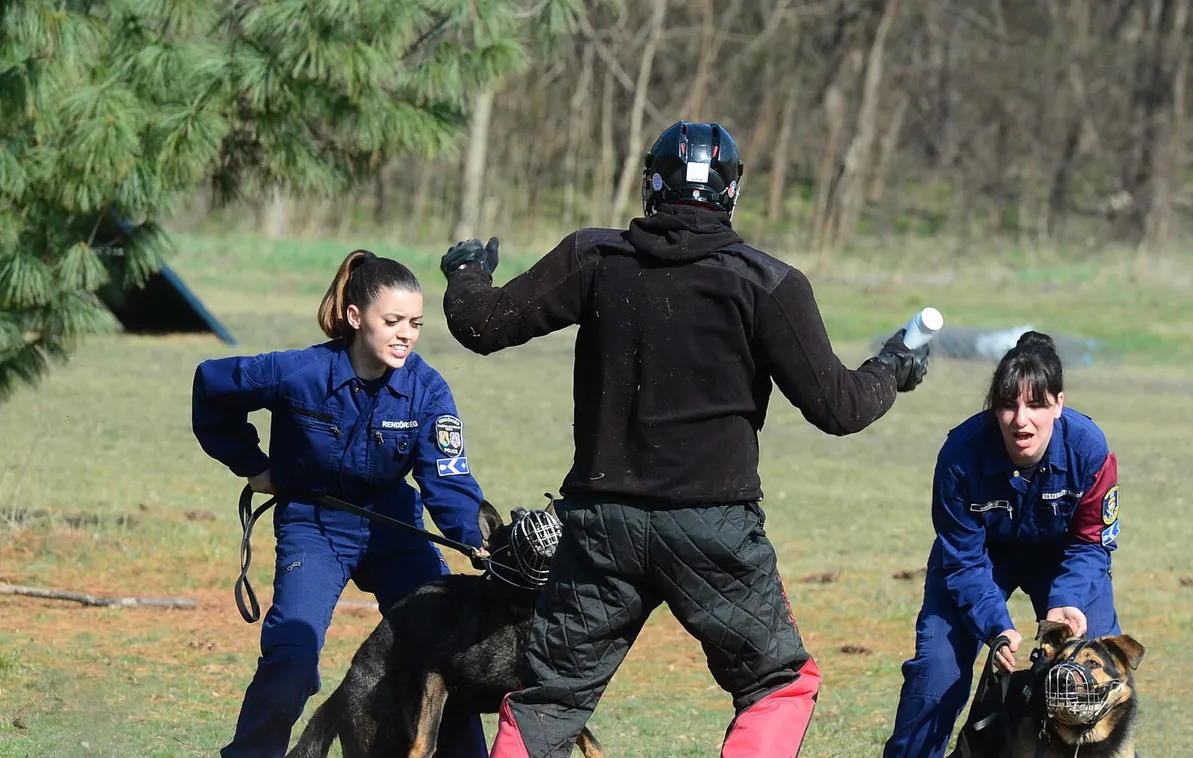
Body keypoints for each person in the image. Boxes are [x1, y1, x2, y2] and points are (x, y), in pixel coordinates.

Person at [437, 120, 932, 758]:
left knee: (550, 701)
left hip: (601, 526)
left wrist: (468, 270)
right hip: (714, 529)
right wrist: (893, 365)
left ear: (651, 184)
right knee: (777, 684)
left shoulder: (595, 258)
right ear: (730, 193)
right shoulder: (769, 282)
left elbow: (481, 324)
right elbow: (841, 408)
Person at [192, 250, 490, 758]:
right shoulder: (298, 372)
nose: (405, 334)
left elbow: (447, 478)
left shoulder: (427, 390)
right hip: (314, 525)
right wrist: (251, 464)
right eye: (392, 321)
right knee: (292, 655)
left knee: (443, 653)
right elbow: (211, 385)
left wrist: (476, 541)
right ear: (356, 318)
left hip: (395, 529)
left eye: (415, 323)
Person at [881, 331, 1123, 758]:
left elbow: (1091, 544)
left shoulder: (1090, 451)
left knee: (1100, 666)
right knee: (937, 672)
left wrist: (1065, 600)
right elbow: (961, 558)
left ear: (1059, 405)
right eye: (1009, 406)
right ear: (994, 408)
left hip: (1062, 561)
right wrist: (996, 625)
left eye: (1037, 405)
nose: (1021, 420)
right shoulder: (961, 453)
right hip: (977, 562)